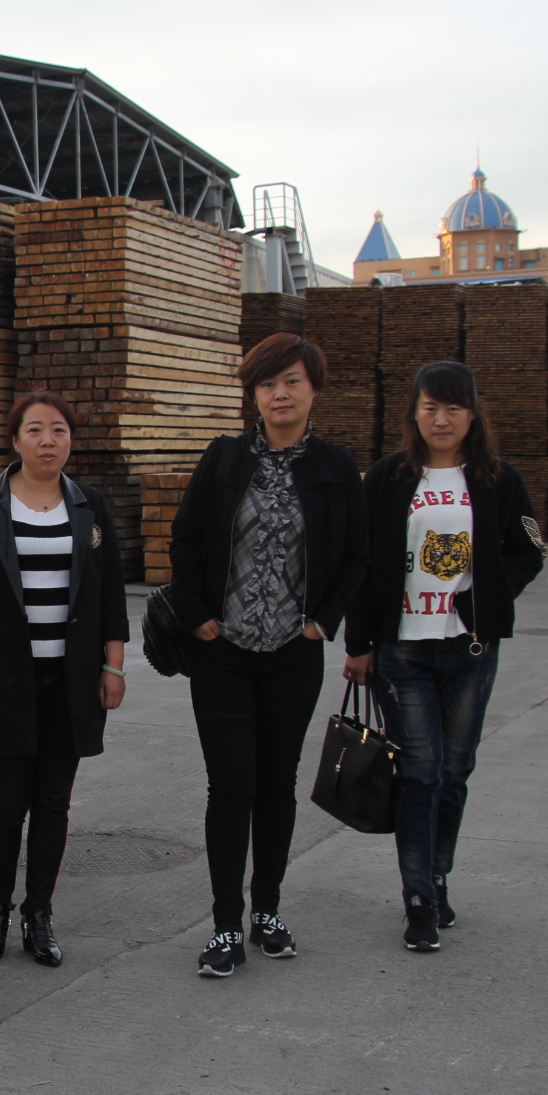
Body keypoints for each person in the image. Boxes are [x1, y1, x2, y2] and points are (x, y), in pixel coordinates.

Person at [168, 333, 368, 978]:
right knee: (230, 787)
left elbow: (358, 554)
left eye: (291, 382)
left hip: (291, 654)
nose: (280, 394)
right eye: (267, 384)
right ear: (253, 394)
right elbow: (186, 537)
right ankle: (226, 924)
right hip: (222, 652)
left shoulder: (336, 466)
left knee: (277, 787)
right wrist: (197, 614)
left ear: (314, 390)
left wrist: (322, 622)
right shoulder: (225, 458)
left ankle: (269, 912)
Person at [345, 360, 544, 954]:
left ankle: (436, 875)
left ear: (472, 415)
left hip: (470, 649)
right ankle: (418, 899)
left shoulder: (498, 479)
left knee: (455, 772)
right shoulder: (387, 477)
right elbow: (360, 561)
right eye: (430, 406)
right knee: (420, 773)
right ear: (415, 412)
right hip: (402, 648)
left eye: (454, 407)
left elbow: (529, 550)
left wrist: (485, 598)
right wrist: (359, 643)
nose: (441, 418)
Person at [0, 391, 129, 969]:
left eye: (59, 430)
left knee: (54, 803)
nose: (48, 440)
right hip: (5, 676)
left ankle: (39, 912)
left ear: (71, 439)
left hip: (72, 677)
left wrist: (114, 665)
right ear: (15, 439)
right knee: (9, 804)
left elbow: (112, 592)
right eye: (35, 430)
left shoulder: (89, 504)